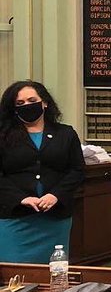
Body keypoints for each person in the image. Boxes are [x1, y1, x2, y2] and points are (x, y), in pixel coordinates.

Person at [0, 81, 85, 263]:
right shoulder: (3, 136)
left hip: (55, 218)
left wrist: (55, 195)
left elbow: (77, 170)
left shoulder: (66, 134)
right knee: (14, 276)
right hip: (15, 217)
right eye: (20, 104)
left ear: (44, 102)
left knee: (53, 274)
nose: (27, 106)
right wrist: (20, 199)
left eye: (32, 100)